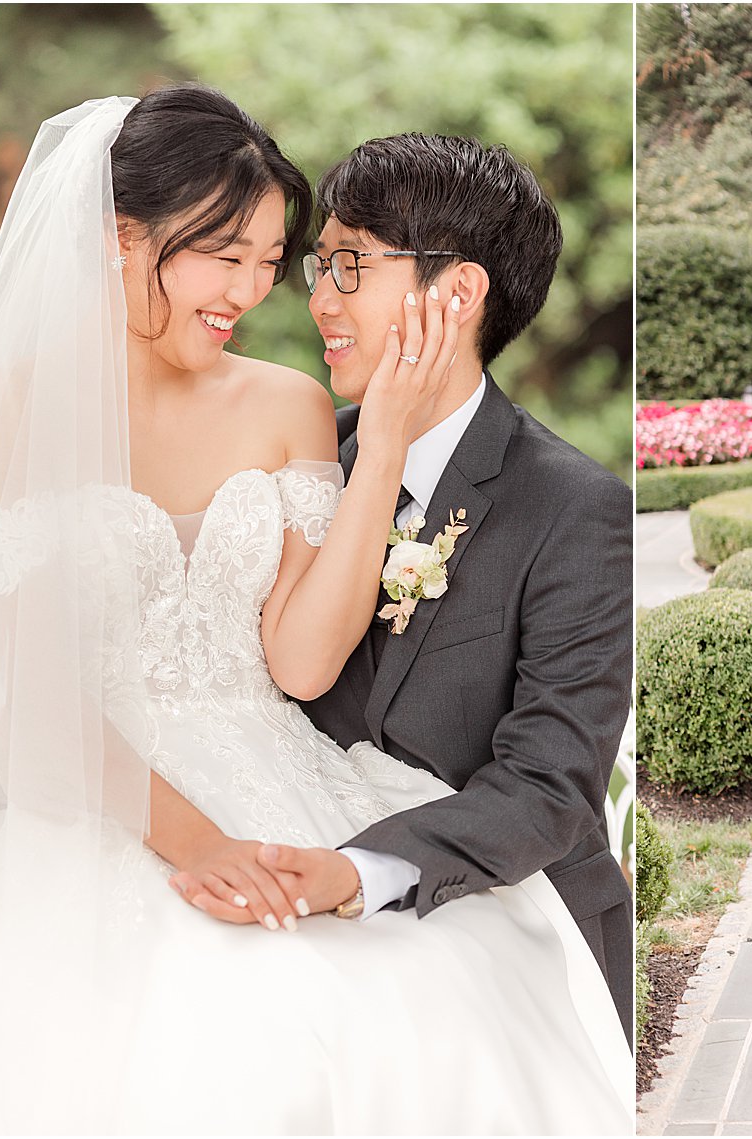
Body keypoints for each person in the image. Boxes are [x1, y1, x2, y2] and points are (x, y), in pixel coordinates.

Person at [0, 87, 630, 1135]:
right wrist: (197, 843)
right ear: (120, 239)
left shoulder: (291, 405)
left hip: (281, 781)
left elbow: (303, 664)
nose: (262, 289)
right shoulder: (15, 407)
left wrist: (378, 456)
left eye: (274, 260)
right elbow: (39, 701)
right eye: (225, 255)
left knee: (399, 1008)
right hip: (96, 804)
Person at [178, 130, 636, 1045]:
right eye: (318, 267)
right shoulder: (300, 461)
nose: (316, 302)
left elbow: (550, 785)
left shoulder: (580, 511)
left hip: (502, 922)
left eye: (347, 266)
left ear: (456, 292)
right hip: (288, 906)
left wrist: (356, 875)